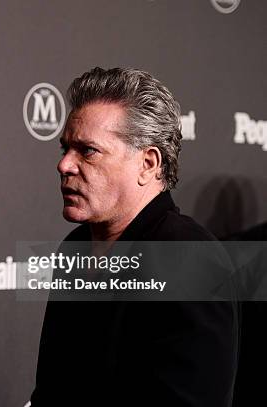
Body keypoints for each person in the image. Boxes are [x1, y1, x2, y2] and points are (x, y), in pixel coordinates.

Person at [30, 67, 238, 406]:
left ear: (148, 163)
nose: (65, 164)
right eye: (65, 148)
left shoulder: (189, 258)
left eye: (88, 151)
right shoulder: (75, 247)